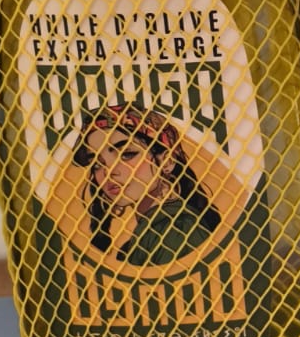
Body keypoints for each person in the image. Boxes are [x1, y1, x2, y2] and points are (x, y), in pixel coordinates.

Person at [71, 104, 221, 265]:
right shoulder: (147, 236)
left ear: (166, 161)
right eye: (97, 163)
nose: (108, 172)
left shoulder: (177, 231)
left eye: (127, 154)